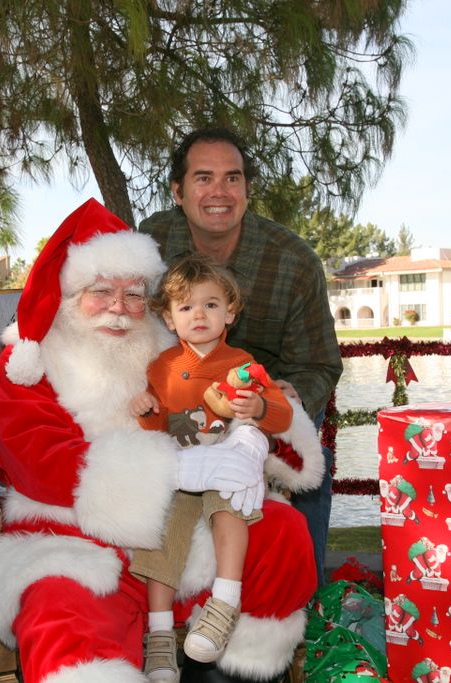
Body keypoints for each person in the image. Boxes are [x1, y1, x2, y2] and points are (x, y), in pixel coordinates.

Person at [0, 198, 323, 683]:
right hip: (76, 539)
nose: (121, 308)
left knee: (282, 532)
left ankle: (231, 670)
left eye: (135, 294)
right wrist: (174, 468)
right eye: (101, 291)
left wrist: (257, 428)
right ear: (68, 292)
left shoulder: (171, 350)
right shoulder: (30, 361)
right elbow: (40, 463)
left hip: (187, 530)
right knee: (59, 615)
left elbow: (231, 405)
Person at [139, 126, 344, 584]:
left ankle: (299, 596)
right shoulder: (148, 245)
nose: (219, 192)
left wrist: (295, 398)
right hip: (177, 396)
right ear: (178, 190)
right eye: (204, 178)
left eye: (232, 179)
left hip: (259, 401)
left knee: (303, 455)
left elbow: (320, 362)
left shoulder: (293, 260)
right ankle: (155, 608)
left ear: (248, 190)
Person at [128, 253, 319, 681]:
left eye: (211, 304)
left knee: (228, 505)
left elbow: (284, 419)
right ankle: (159, 638)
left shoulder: (244, 366)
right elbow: (155, 428)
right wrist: (145, 409)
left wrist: (260, 405)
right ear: (168, 318)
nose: (199, 315)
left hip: (228, 469)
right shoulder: (161, 368)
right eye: (186, 307)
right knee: (158, 530)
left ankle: (224, 603)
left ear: (230, 311)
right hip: (179, 471)